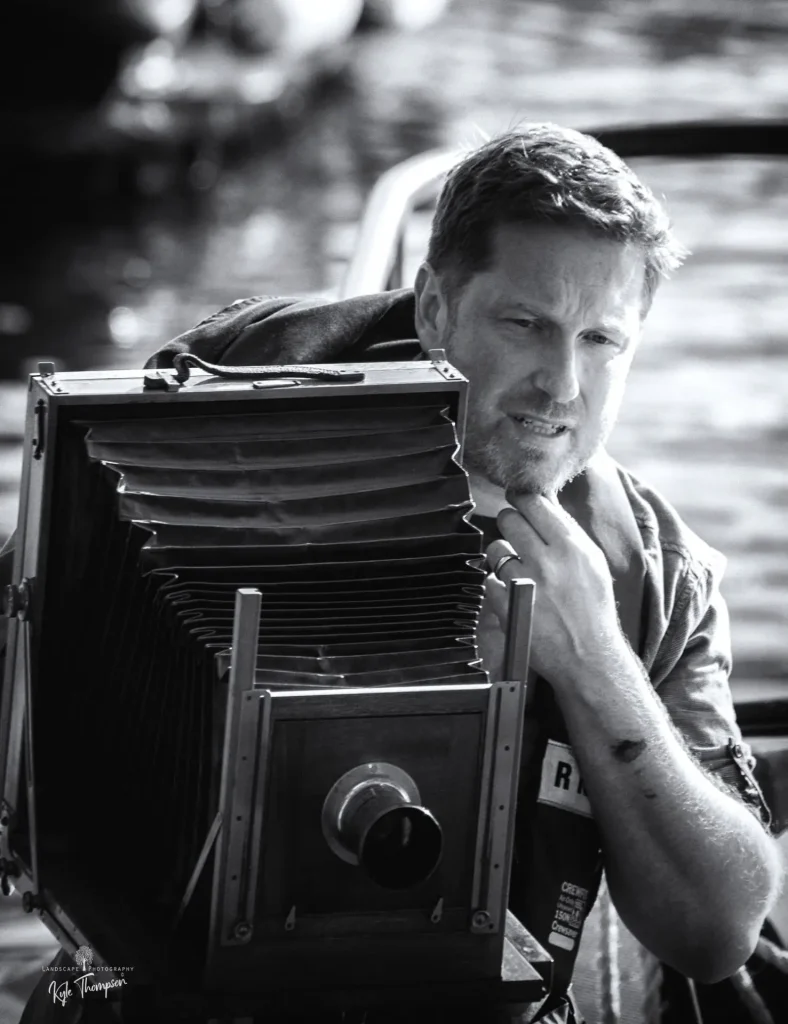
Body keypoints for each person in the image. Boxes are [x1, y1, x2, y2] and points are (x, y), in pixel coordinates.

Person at [3, 123, 783, 1023]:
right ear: (435, 309)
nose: (562, 383)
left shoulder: (656, 570)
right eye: (526, 323)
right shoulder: (217, 419)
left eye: (602, 340)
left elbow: (719, 930)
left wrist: (595, 660)